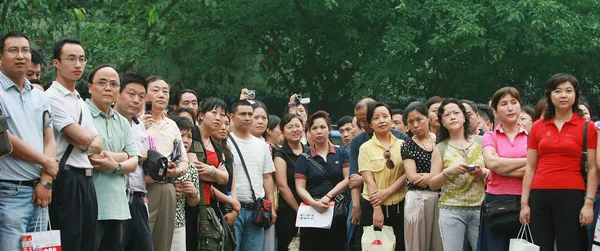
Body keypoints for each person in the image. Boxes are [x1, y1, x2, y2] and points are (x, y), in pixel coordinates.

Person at [519, 73, 598, 251]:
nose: (563, 95)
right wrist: (525, 204)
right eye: (558, 91)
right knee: (540, 246)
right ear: (550, 95)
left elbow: (593, 169)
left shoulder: (587, 127)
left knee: (571, 246)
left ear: (576, 95)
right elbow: (530, 167)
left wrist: (589, 203)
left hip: (572, 195)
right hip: (540, 195)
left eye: (568, 91)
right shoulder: (539, 126)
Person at [0, 32, 57, 250]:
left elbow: (49, 138)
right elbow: (4, 139)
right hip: (9, 191)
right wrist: (46, 162)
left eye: (25, 50)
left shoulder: (39, 95)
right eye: (13, 50)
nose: (21, 55)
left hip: (41, 191)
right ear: (0, 57)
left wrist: (46, 180)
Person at [47, 38, 103, 251]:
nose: (78, 64)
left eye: (81, 59)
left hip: (87, 180)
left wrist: (83, 140)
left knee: (87, 241)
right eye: (71, 59)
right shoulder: (51, 97)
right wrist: (84, 140)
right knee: (69, 240)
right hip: (66, 178)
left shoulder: (80, 101)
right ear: (56, 63)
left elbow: (97, 144)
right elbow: (82, 138)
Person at [86, 65, 141, 250]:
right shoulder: (82, 112)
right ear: (90, 87)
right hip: (90, 204)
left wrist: (115, 166)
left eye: (113, 84)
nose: (108, 88)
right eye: (102, 83)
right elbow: (92, 156)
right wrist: (123, 156)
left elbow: (135, 161)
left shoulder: (122, 121)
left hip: (118, 206)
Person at [348, 98, 408, 250]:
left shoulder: (403, 144)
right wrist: (377, 209)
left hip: (400, 206)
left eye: (385, 116)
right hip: (373, 207)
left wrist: (387, 192)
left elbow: (406, 174)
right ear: (370, 123)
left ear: (391, 118)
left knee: (400, 246)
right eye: (376, 118)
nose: (381, 121)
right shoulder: (365, 147)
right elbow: (369, 180)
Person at [429, 98, 488, 251]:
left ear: (464, 117)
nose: (453, 117)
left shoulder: (482, 142)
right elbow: (433, 183)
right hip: (451, 210)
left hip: (480, 208)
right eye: (447, 115)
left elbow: (494, 172)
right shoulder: (440, 148)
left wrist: (482, 172)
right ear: (442, 121)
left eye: (456, 113)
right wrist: (448, 172)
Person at [476, 87, 528, 251]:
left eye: (514, 102)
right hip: (497, 201)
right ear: (495, 110)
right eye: (504, 104)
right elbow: (491, 163)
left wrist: (502, 169)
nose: (510, 108)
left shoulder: (532, 136)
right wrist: (528, 161)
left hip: (525, 200)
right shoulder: (490, 136)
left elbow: (535, 170)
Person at [142, 75, 189, 251]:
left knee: (163, 243)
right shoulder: (134, 120)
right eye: (155, 90)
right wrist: (141, 128)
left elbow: (183, 160)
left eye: (165, 91)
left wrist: (176, 171)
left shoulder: (172, 125)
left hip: (167, 186)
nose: (161, 95)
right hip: (142, 186)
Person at [295, 110, 349, 251]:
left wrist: (328, 196)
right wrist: (314, 203)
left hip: (337, 212)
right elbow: (300, 187)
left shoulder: (342, 153)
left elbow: (348, 179)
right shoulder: (303, 158)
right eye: (314, 128)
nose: (319, 131)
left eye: (322, 127)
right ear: (309, 132)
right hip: (312, 213)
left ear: (329, 130)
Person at [227, 100, 276, 251]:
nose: (248, 118)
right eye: (243, 114)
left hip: (257, 209)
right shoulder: (225, 142)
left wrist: (271, 207)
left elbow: (267, 177)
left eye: (250, 114)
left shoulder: (262, 145)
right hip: (233, 208)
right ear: (231, 117)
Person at [114, 73, 154, 251]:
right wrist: (138, 155)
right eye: (131, 94)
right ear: (118, 93)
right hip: (116, 197)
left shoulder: (139, 126)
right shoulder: (108, 121)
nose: (136, 100)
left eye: (141, 96)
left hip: (138, 197)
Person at [185, 97, 232, 251]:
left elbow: (225, 179)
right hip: (190, 203)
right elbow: (196, 171)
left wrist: (211, 170)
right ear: (201, 115)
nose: (219, 118)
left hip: (209, 206)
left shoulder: (216, 144)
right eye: (214, 112)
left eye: (222, 114)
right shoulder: (191, 136)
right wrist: (216, 173)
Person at [401, 101, 443, 251]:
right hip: (417, 198)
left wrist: (432, 177)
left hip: (441, 197)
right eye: (411, 122)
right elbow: (412, 177)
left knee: (440, 243)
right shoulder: (408, 145)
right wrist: (437, 177)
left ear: (428, 118)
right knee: (416, 244)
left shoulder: (441, 140)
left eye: (419, 119)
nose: (415, 125)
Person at [273, 113, 309, 251]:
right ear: (282, 132)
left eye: (297, 126)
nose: (295, 130)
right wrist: (299, 210)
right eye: (290, 127)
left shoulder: (310, 152)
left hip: (311, 208)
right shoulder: (280, 155)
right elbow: (283, 187)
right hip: (289, 211)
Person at [170, 116, 201, 251]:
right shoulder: (161, 161)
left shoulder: (191, 167)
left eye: (190, 137)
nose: (186, 140)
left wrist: (193, 193)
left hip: (179, 222)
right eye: (182, 135)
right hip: (158, 219)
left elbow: (193, 203)